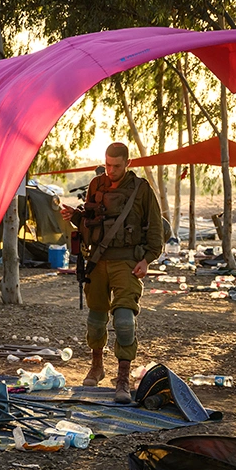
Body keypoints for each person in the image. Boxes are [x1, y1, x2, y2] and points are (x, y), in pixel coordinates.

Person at [61, 142, 163, 402]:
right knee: (96, 321)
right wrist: (74, 215)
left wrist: (148, 259)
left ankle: (123, 379)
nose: (111, 170)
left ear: (128, 163)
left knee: (125, 321)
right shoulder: (97, 185)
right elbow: (90, 220)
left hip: (127, 262)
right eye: (107, 165)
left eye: (116, 166)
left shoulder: (141, 189)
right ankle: (97, 366)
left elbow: (155, 230)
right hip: (97, 260)